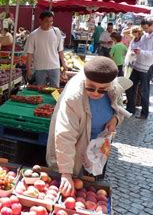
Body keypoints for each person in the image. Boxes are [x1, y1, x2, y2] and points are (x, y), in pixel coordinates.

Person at [46, 57, 129, 195]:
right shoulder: (73, 97)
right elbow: (65, 135)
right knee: (75, 180)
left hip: (99, 145)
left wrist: (115, 118)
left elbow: (119, 107)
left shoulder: (113, 87)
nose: (96, 93)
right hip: (76, 146)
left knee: (91, 180)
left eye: (102, 90)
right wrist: (66, 173)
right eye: (91, 87)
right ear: (85, 80)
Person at [126, 18, 153, 119]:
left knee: (144, 91)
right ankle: (130, 109)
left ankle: (144, 113)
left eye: (146, 28)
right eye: (143, 28)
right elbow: (141, 47)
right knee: (129, 87)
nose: (144, 30)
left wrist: (141, 52)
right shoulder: (145, 35)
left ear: (152, 25)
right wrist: (135, 51)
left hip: (148, 67)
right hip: (137, 65)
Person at [25, 10, 68, 87]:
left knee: (55, 91)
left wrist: (64, 64)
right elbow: (30, 54)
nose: (49, 24)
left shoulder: (56, 31)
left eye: (51, 21)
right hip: (39, 68)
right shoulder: (33, 35)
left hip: (55, 66)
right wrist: (28, 69)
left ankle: (54, 100)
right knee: (40, 90)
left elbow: (60, 50)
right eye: (46, 21)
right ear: (40, 20)